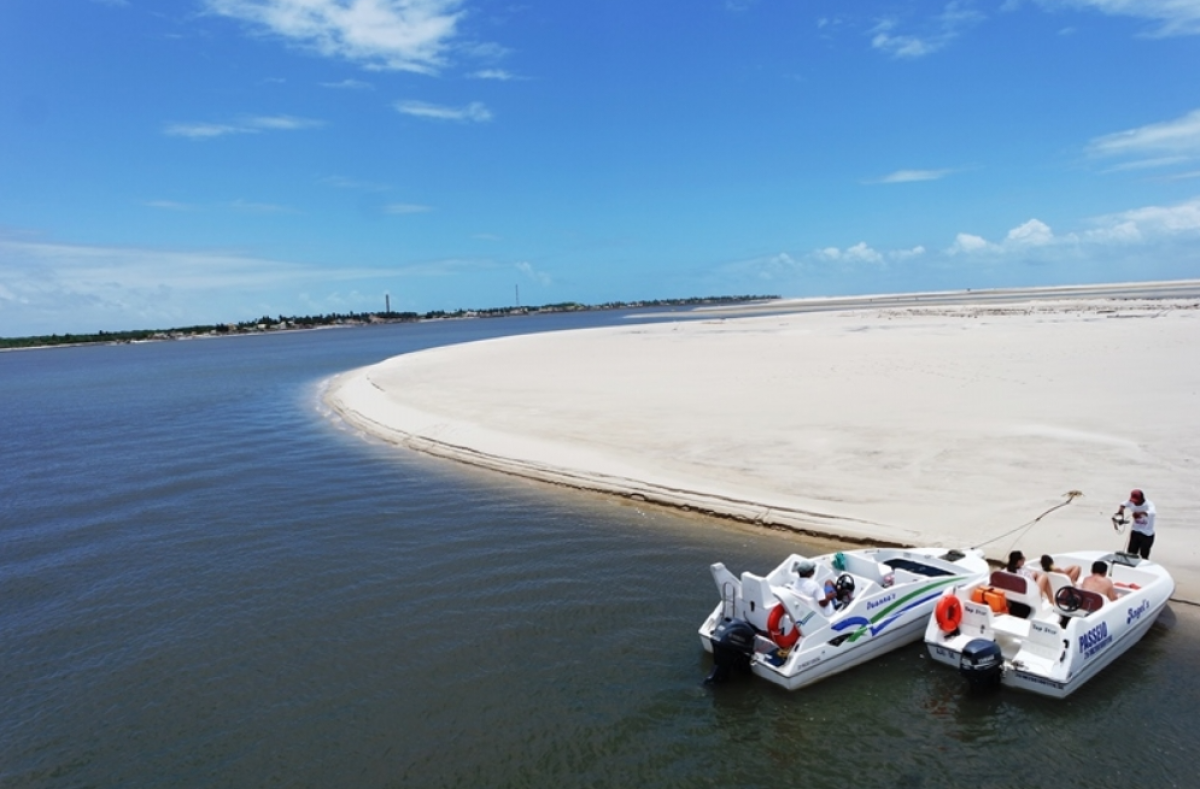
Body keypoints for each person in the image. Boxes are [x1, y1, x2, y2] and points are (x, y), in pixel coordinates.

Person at [1115, 489, 1156, 559]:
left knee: (1144, 556)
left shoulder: (1149, 505)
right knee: (1130, 554)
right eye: (1133, 501)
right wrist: (1120, 511)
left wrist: (1140, 514)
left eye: (1136, 501)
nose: (1135, 503)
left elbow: (1152, 512)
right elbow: (1123, 504)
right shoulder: (1131, 502)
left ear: (1142, 499)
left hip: (1147, 534)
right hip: (1135, 532)